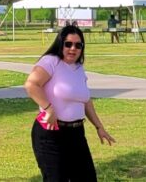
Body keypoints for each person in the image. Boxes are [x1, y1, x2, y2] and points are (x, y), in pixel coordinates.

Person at [25, 25, 116, 181]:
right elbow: (31, 85)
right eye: (68, 44)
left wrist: (99, 127)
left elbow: (86, 101)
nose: (73, 49)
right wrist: (49, 109)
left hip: (76, 133)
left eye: (78, 45)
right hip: (51, 133)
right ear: (61, 44)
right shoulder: (51, 62)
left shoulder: (78, 68)